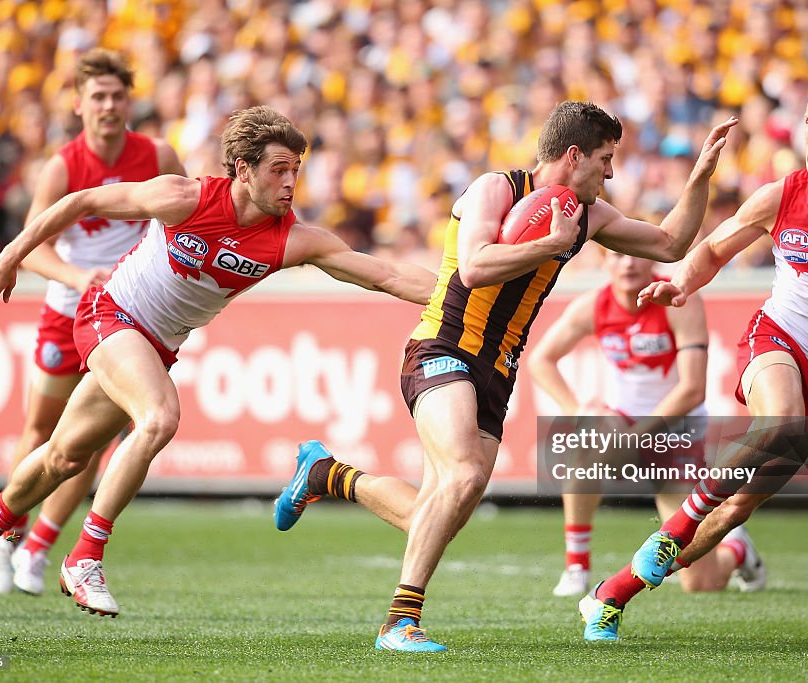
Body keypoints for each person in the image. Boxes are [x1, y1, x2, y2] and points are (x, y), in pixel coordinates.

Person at [273, 101, 739, 652]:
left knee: (438, 510)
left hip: (498, 371)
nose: (611, 173)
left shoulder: (590, 214)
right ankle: (399, 622)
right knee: (465, 474)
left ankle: (327, 473)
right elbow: (473, 267)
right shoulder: (496, 189)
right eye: (605, 160)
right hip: (441, 347)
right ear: (574, 155)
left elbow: (669, 244)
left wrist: (700, 177)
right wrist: (550, 244)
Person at [0, 105, 436, 616]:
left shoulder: (292, 240)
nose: (291, 182)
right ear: (243, 169)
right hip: (109, 313)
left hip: (156, 346)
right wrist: (9, 256)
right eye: (279, 169)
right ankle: (85, 555)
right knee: (160, 417)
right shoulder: (183, 197)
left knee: (64, 458)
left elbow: (386, 275)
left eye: (296, 170)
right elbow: (82, 200)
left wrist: (468, 288)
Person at [579, 82, 808, 641]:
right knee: (778, 420)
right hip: (776, 337)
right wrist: (679, 284)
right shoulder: (779, 195)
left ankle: (611, 594)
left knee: (734, 512)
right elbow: (712, 248)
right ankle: (674, 530)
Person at [0, 48, 186, 598]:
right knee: (41, 431)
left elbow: (190, 221)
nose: (109, 105)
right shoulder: (64, 166)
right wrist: (81, 279)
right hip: (67, 310)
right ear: (79, 105)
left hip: (130, 317)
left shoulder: (158, 153)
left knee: (98, 441)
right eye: (98, 96)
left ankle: (39, 548)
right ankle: (5, 536)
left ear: (130, 101)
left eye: (118, 95)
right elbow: (32, 249)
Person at [527, 251, 764, 598]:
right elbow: (540, 360)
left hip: (675, 431)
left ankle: (738, 549)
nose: (627, 264)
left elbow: (692, 389)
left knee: (700, 583)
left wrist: (636, 436)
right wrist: (576, 409)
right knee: (589, 430)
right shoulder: (592, 305)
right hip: (621, 423)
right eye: (617, 255)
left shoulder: (678, 300)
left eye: (637, 256)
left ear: (652, 261)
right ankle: (576, 566)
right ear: (603, 261)